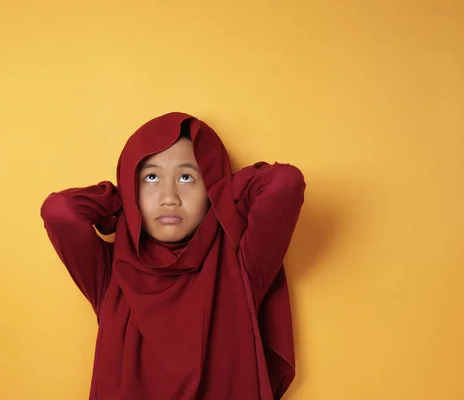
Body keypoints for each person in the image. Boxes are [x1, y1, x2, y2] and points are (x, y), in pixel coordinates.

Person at [40, 112, 306, 399]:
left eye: (187, 177)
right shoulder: (110, 276)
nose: (169, 197)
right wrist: (119, 200)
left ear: (210, 187)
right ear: (133, 188)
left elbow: (284, 184)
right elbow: (60, 212)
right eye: (151, 177)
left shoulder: (241, 265)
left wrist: (225, 190)